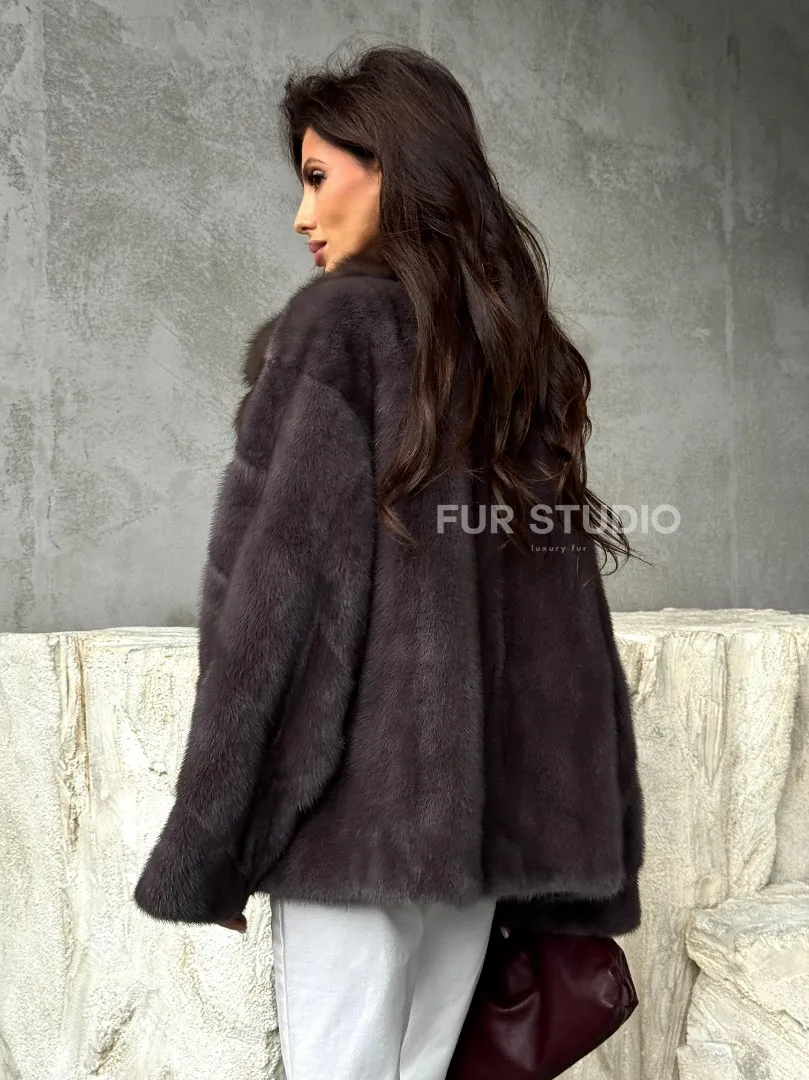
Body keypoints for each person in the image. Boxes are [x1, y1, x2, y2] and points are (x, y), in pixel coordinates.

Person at [134, 42, 646, 1080]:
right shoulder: (510, 349)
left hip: (355, 831)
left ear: (394, 169)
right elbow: (567, 643)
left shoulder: (338, 329)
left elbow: (279, 612)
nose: (301, 215)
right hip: (477, 850)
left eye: (318, 177)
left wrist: (221, 838)